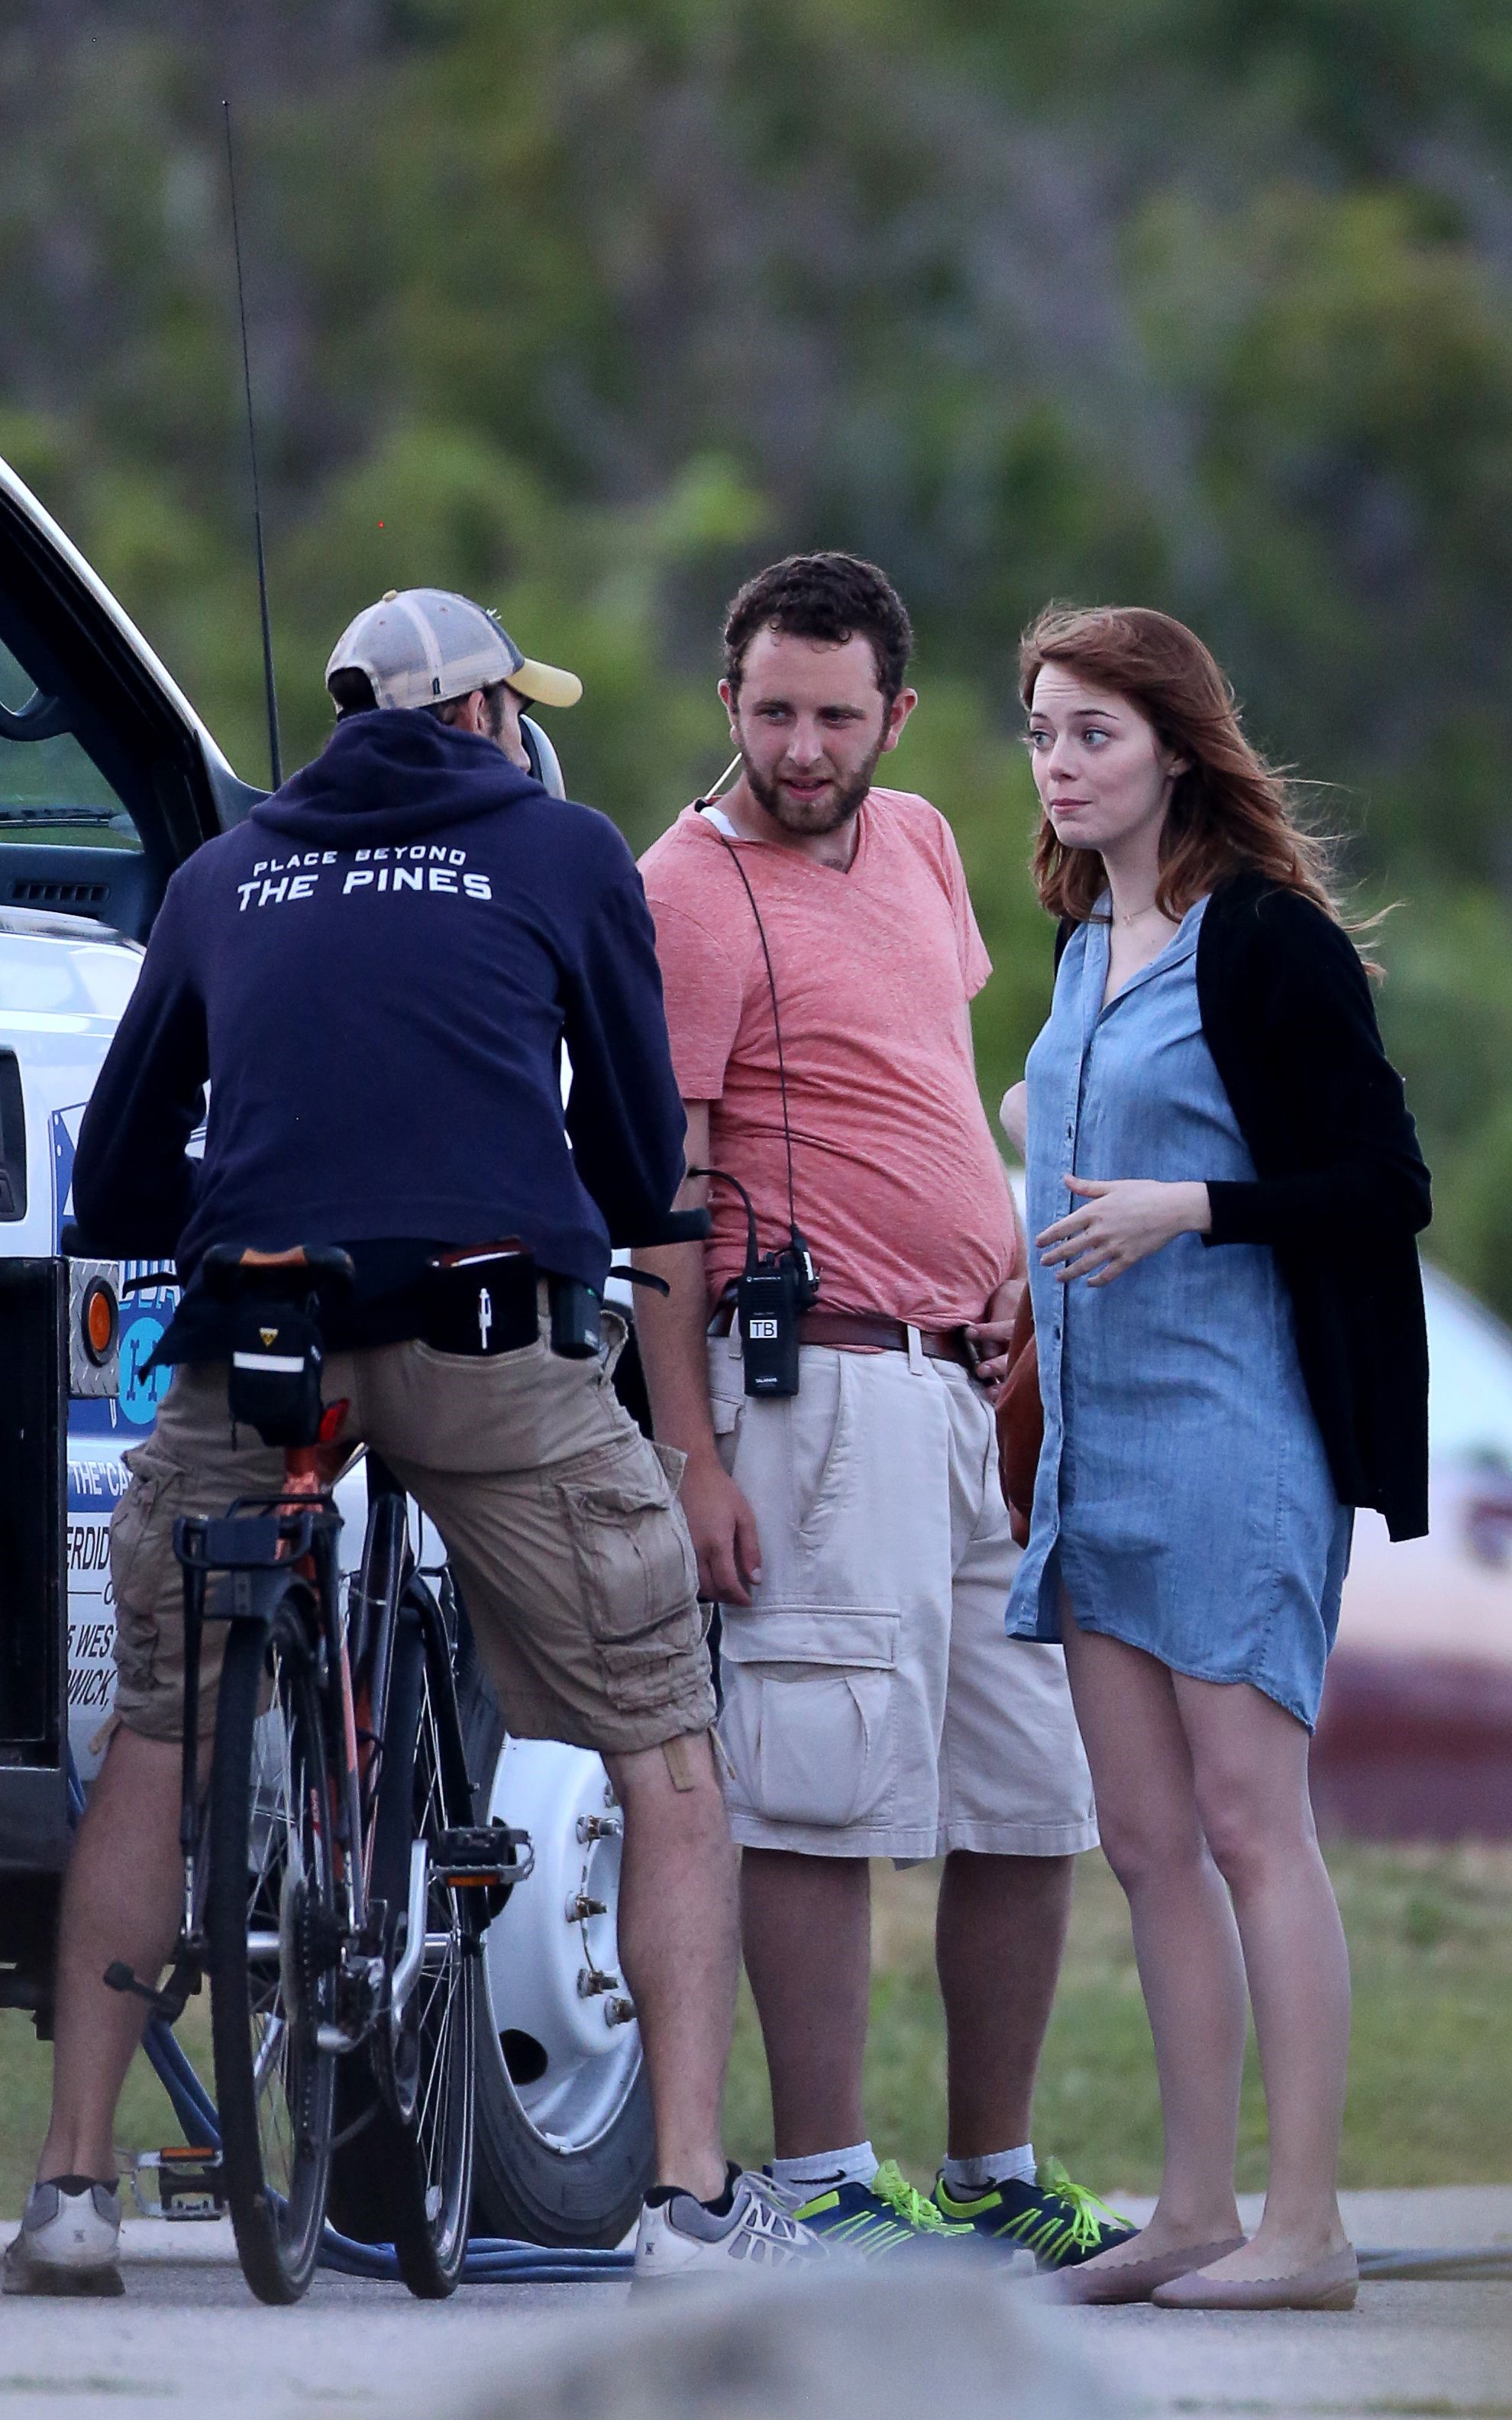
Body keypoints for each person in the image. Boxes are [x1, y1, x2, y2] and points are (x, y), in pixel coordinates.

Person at [6, 587, 817, 2297]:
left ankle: (73, 2191)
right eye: (513, 708)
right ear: (473, 719)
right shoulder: (562, 847)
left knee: (160, 1733)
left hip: (260, 1349)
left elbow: (124, 1187)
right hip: (480, 1343)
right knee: (666, 1746)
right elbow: (642, 1142)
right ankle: (682, 2201)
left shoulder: (225, 878)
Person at [634, 552, 1134, 2271]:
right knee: (816, 1771)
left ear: (895, 717)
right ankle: (827, 2170)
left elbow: (930, 1076)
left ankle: (995, 2167)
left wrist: (1010, 1262)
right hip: (816, 1386)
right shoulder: (686, 890)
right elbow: (666, 1198)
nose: (800, 747)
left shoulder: (920, 838)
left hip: (976, 1378)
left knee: (1030, 1777)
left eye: (835, 717)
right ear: (729, 706)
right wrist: (690, 1452)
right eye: (770, 711)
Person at [1009, 604, 1430, 2312]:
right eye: (1042, 733)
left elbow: (1386, 1184)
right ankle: (1191, 2214)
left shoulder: (1263, 941)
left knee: (1255, 1822)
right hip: (1096, 1447)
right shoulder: (1069, 946)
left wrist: (1198, 1205)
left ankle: (1305, 2229)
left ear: (1177, 745)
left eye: (1095, 732)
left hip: (1238, 1435)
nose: (1061, 763)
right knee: (1139, 1833)